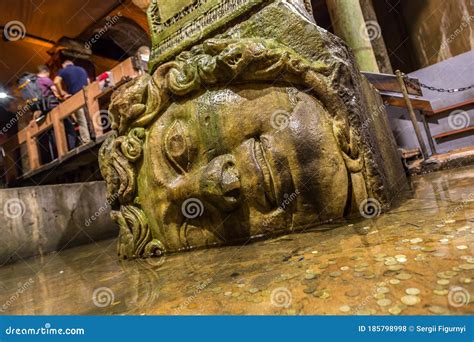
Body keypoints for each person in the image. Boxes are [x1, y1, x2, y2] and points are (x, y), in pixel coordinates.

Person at [54, 60, 91, 144]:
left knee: (81, 119)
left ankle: (86, 140)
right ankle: (96, 134)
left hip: (75, 96)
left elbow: (56, 81)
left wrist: (62, 93)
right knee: (90, 115)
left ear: (64, 65)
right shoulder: (82, 69)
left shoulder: (63, 71)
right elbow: (88, 81)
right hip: (86, 94)